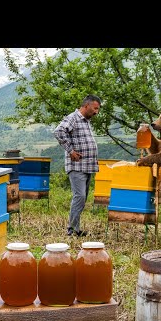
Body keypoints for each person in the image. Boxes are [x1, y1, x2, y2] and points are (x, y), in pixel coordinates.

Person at [53, 94, 102, 237]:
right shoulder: (73, 118)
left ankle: (76, 228)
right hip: (77, 166)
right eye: (95, 108)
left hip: (87, 166)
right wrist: (70, 150)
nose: (96, 112)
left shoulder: (86, 120)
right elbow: (59, 131)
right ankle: (72, 230)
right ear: (86, 106)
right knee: (79, 196)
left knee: (83, 197)